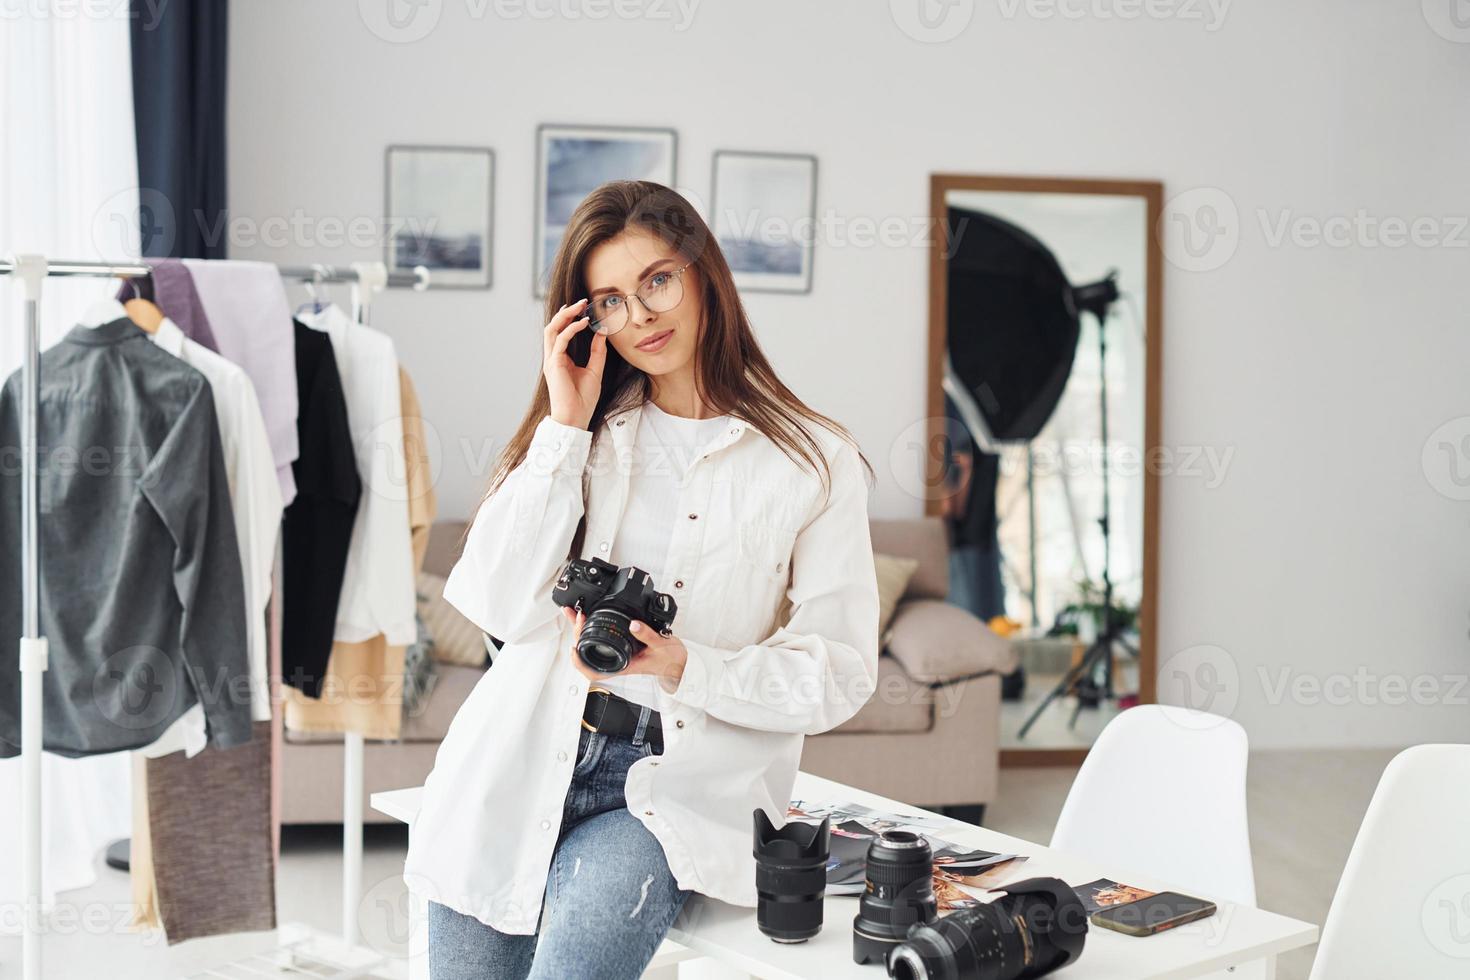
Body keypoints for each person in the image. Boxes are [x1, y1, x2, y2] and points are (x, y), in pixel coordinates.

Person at [406, 180, 880, 979]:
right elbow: (491, 600)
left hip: (663, 789)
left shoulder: (814, 459)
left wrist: (685, 665)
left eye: (657, 280)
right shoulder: (578, 435)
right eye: (611, 300)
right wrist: (563, 422)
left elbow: (838, 673)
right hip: (518, 757)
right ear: (588, 320)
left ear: (702, 275)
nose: (643, 317)